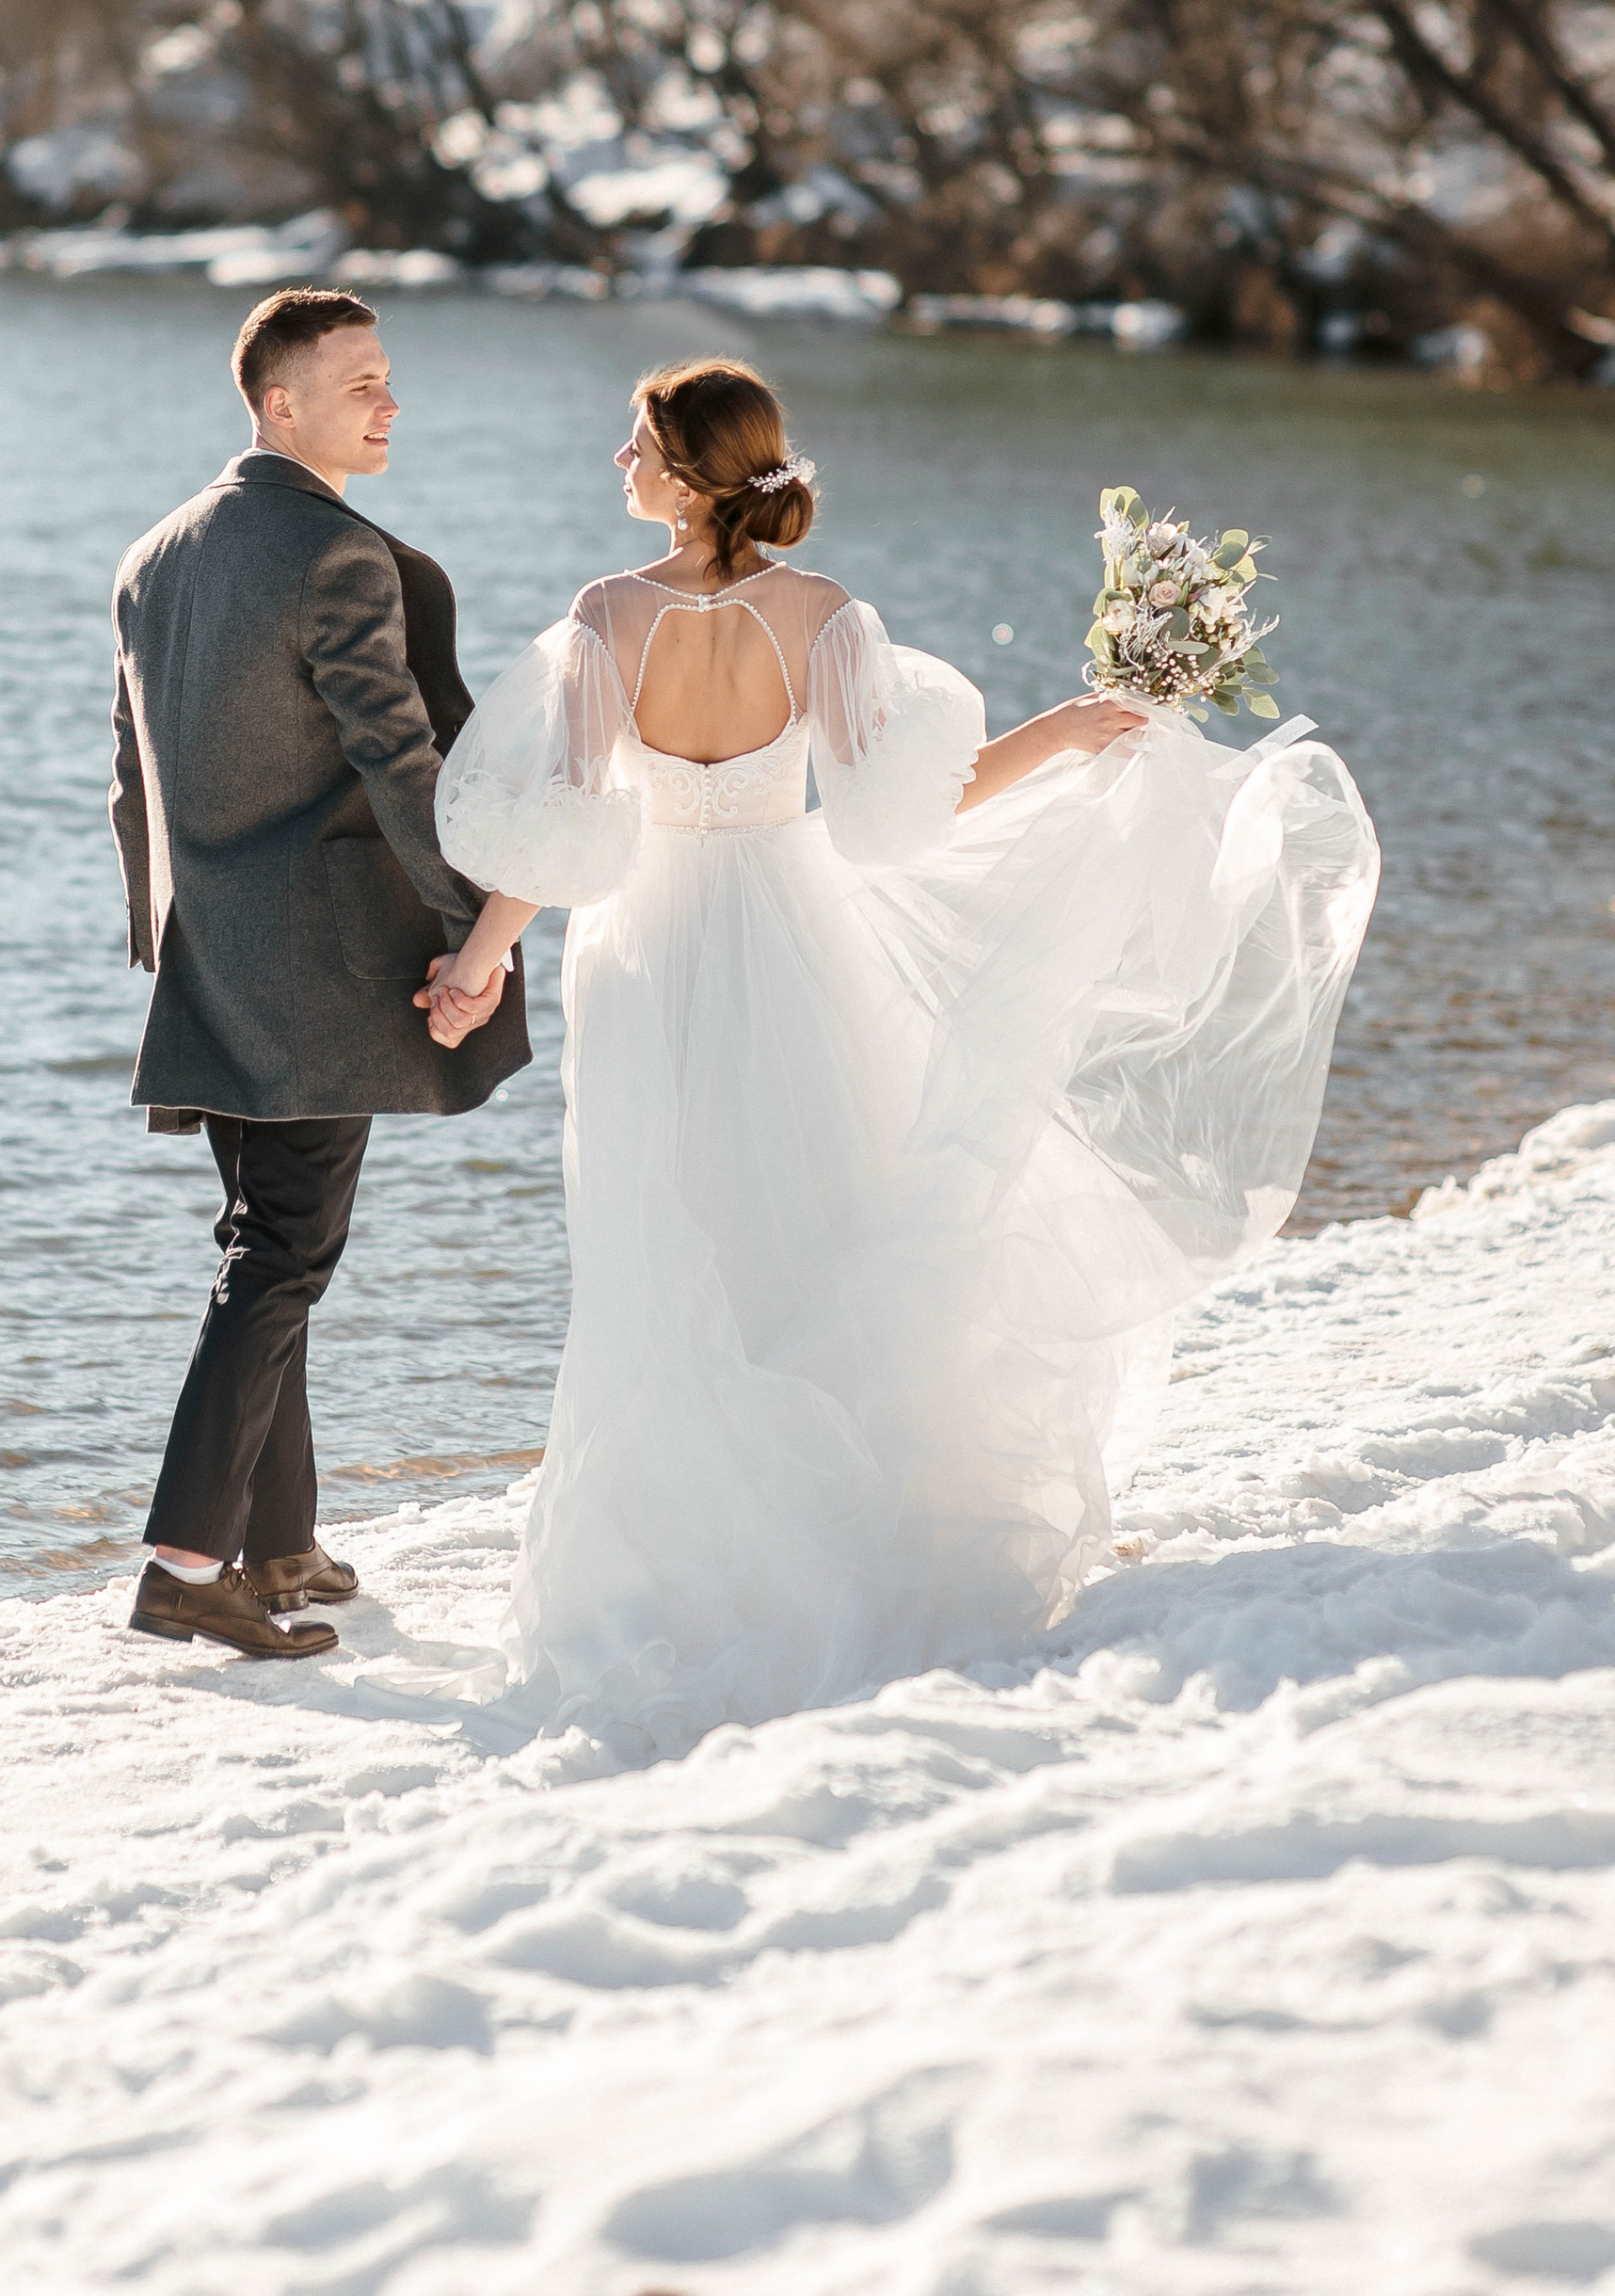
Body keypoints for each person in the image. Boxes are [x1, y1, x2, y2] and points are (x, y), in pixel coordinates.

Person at [426, 355, 1379, 1742]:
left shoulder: (604, 617)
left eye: (634, 441)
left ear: (692, 472)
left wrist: (478, 956)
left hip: (648, 945)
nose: (614, 462)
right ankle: (844, 1520)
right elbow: (905, 812)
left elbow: (574, 832)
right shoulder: (821, 616)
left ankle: (675, 1556)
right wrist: (1055, 732)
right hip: (787, 924)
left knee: (657, 1238)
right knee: (809, 1214)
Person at [110, 285, 526, 1660]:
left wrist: (160, 941)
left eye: (389, 374)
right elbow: (398, 760)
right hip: (317, 966)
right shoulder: (335, 554)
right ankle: (185, 1561)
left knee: (261, 1238)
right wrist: (481, 925)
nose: (388, 400)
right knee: (282, 1250)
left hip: (207, 955)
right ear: (279, 402)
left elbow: (134, 786)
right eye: (360, 381)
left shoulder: (154, 552)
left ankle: (278, 1539)